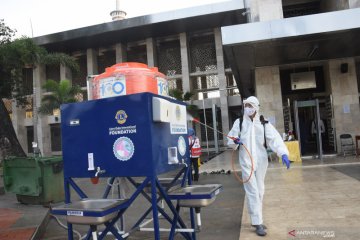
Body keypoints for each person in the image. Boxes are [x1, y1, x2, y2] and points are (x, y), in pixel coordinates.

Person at [227, 96, 290, 237]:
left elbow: (275, 139)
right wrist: (235, 140)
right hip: (246, 162)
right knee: (252, 191)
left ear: (256, 107)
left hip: (261, 161)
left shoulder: (263, 122)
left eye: (250, 105)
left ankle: (257, 219)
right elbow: (230, 139)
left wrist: (283, 153)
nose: (247, 108)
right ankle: (257, 223)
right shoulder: (240, 122)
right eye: (246, 105)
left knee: (260, 190)